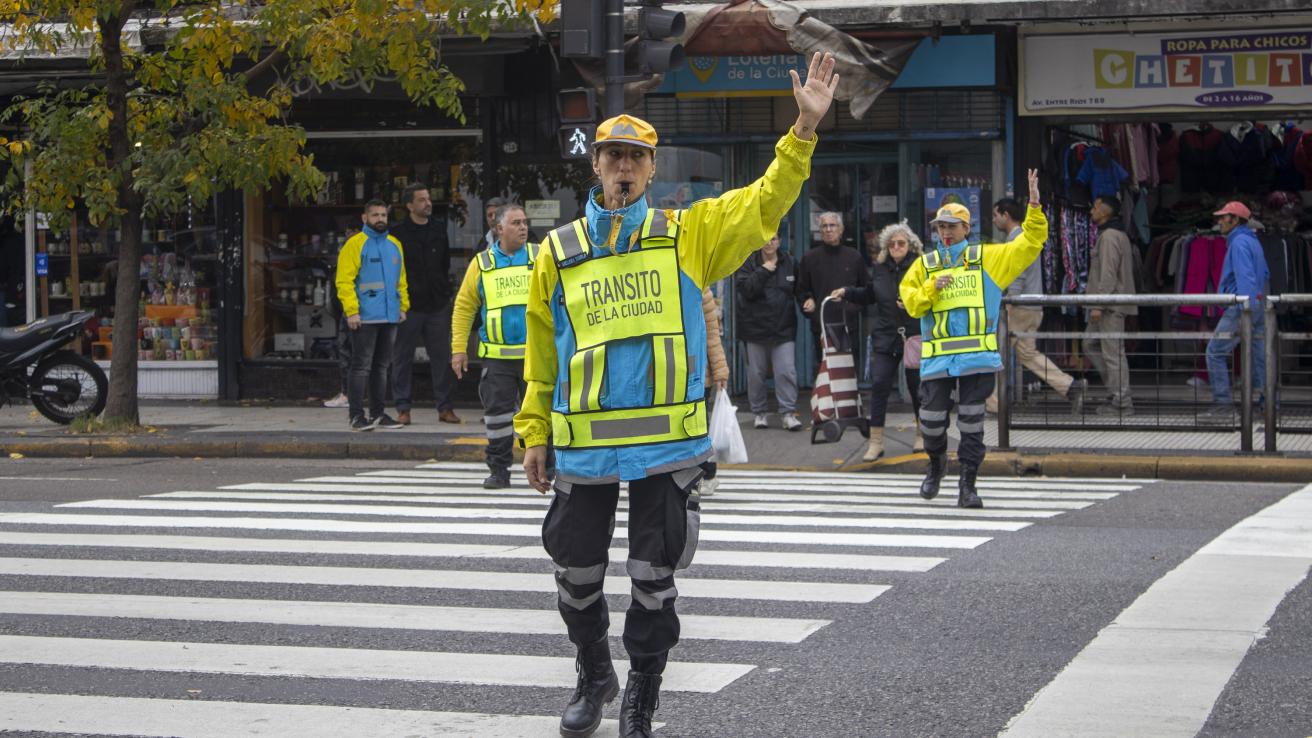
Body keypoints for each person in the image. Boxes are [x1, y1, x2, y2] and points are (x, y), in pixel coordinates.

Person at [514, 52, 838, 738]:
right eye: (612, 157)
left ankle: (642, 697)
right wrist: (532, 430)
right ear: (595, 167)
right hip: (584, 448)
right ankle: (594, 672)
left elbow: (762, 204)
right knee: (574, 576)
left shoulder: (687, 235)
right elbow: (542, 354)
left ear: (652, 169)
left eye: (636, 157)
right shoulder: (559, 251)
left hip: (666, 445)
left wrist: (802, 133)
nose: (624, 168)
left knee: (653, 582)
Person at [900, 169, 1047, 508]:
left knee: (971, 425)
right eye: (941, 226)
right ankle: (936, 465)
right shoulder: (926, 265)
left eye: (952, 226)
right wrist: (928, 289)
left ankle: (968, 485)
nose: (946, 232)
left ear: (967, 229)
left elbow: (1031, 243)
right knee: (932, 422)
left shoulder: (989, 259)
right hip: (937, 360)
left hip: (976, 360)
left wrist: (1035, 205)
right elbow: (909, 300)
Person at [451, 203, 541, 487]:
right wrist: (458, 349)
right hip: (497, 359)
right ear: (499, 229)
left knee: (541, 416)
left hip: (536, 356)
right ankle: (500, 470)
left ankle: (546, 468)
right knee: (498, 418)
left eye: (524, 222)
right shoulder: (482, 264)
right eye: (516, 223)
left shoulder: (540, 257)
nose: (523, 227)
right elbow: (464, 308)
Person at [831, 220, 924, 460]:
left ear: (910, 245)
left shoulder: (920, 266)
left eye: (901, 243)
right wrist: (847, 292)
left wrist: (915, 303)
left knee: (917, 388)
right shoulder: (880, 268)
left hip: (913, 333)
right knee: (879, 385)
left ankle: (922, 435)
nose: (896, 247)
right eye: (891, 244)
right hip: (886, 333)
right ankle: (876, 441)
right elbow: (870, 294)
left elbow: (930, 295)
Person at [985, 198, 1087, 415]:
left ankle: (994, 405)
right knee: (1027, 354)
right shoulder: (1026, 237)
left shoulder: (1017, 239)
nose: (993, 220)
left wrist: (1011, 302)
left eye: (995, 215)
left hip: (1020, 306)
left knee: (994, 351)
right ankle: (1069, 386)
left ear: (1005, 215)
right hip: (1032, 305)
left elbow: (1017, 273)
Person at [390, 182, 460, 425]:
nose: (427, 203)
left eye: (428, 198)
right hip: (409, 305)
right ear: (409, 205)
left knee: (441, 358)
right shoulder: (397, 233)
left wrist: (445, 292)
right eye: (421, 200)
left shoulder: (439, 230)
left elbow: (444, 264)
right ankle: (403, 408)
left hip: (436, 303)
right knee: (402, 357)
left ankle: (445, 407)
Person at [335, 199, 408, 431]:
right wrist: (352, 311)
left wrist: (403, 306)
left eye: (383, 215)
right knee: (360, 367)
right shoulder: (355, 245)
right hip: (364, 317)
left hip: (389, 316)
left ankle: (378, 414)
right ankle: (356, 416)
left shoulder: (394, 244)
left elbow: (401, 279)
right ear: (364, 218)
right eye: (375, 215)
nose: (380, 219)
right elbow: (344, 281)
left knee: (382, 367)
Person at [1203, 201, 1270, 421]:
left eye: (1224, 217)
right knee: (1259, 355)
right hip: (1258, 304)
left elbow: (1246, 278)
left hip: (1242, 307)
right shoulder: (1253, 241)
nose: (1220, 221)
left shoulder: (1239, 242)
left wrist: (1245, 308)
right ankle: (1266, 405)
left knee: (1215, 351)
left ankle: (1223, 406)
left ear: (1236, 220)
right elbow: (1265, 274)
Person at [734, 233, 801, 431]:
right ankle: (759, 413)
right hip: (754, 328)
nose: (769, 243)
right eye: (765, 239)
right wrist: (763, 270)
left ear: (779, 241)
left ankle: (788, 413)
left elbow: (800, 288)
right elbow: (746, 289)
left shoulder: (789, 262)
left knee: (786, 371)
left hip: (783, 328)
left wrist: (807, 299)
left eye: (773, 239)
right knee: (756, 374)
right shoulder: (749, 262)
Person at [1084, 195, 1137, 416]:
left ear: (1105, 211)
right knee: (1091, 344)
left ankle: (1122, 403)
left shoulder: (1109, 237)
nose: (1091, 211)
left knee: (1113, 353)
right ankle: (1115, 392)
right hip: (1110, 304)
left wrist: (1099, 304)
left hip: (1109, 306)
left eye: (1095, 206)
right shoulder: (1115, 235)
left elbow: (1108, 274)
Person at [797, 212, 868, 359]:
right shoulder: (810, 258)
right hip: (821, 326)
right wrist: (808, 299)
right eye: (824, 226)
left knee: (847, 374)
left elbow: (866, 290)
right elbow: (801, 289)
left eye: (832, 225)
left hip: (848, 325)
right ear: (820, 230)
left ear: (841, 229)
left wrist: (851, 305)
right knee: (825, 373)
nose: (828, 229)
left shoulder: (854, 257)